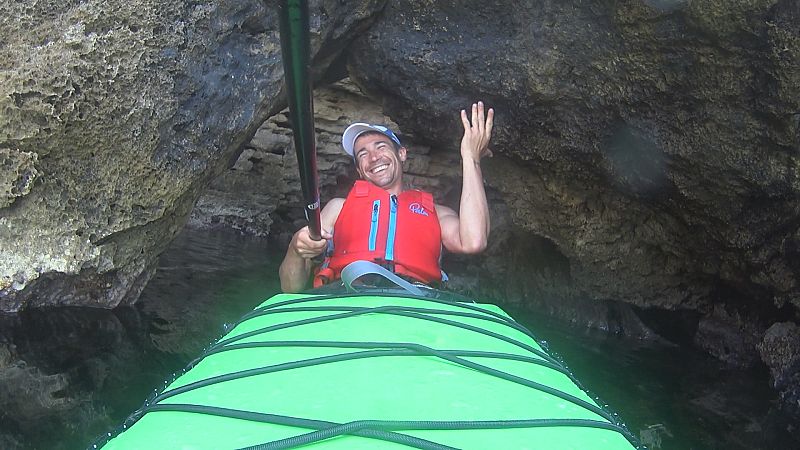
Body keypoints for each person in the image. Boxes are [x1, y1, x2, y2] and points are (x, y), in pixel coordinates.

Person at [279, 101, 494, 292]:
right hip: (346, 295)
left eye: (381, 146)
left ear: (401, 154)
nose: (373, 157)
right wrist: (295, 250)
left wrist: (471, 158)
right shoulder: (337, 208)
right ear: (360, 171)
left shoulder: (437, 213)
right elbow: (290, 288)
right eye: (362, 154)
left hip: (415, 301)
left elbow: (474, 241)